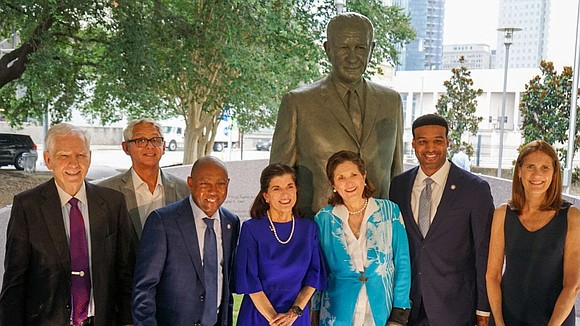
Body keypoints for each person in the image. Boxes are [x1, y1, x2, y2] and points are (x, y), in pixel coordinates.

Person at [270, 12, 404, 218]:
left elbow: (397, 174)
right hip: (317, 233)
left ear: (372, 50)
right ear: (328, 49)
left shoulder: (391, 102)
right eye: (343, 47)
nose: (352, 57)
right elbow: (278, 181)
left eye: (361, 48)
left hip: (379, 234)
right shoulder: (298, 103)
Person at [0, 123, 135, 325]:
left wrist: (128, 321)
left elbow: (126, 272)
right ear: (48, 160)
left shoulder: (113, 203)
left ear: (89, 157)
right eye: (63, 156)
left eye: (81, 155)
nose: (74, 164)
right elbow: (15, 280)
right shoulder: (28, 207)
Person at [389, 114, 494, 326]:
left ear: (447, 142)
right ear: (414, 144)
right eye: (422, 141)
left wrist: (483, 307)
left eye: (438, 141)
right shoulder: (398, 186)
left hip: (455, 308)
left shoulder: (474, 189)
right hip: (408, 307)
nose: (430, 148)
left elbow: (485, 252)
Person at [132, 156, 240, 325]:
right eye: (205, 184)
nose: (213, 191)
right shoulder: (162, 221)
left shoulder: (231, 222)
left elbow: (225, 283)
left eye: (221, 184)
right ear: (190, 183)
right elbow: (144, 288)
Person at [486, 140, 580, 325]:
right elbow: (492, 275)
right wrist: (498, 321)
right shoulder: (502, 214)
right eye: (530, 166)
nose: (537, 174)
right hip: (507, 317)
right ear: (519, 171)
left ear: (554, 174)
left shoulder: (572, 217)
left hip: (555, 320)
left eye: (545, 168)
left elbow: (573, 284)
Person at [314, 150, 411, 325]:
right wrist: (313, 313)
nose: (349, 182)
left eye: (354, 175)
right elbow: (318, 271)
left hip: (382, 312)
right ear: (333, 184)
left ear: (364, 176)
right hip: (336, 313)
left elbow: (402, 263)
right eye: (341, 177)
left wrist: (400, 314)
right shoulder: (324, 219)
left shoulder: (390, 211)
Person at [234, 163, 327, 325]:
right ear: (266, 196)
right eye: (276, 188)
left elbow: (315, 275)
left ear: (296, 190)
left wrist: (293, 313)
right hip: (259, 315)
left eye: (289, 186)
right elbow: (250, 280)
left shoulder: (309, 229)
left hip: (296, 316)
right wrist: (274, 319)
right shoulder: (251, 229)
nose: (285, 194)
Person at [99, 118, 189, 240]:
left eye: (155, 140)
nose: (150, 146)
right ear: (126, 148)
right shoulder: (106, 191)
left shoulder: (184, 190)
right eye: (141, 140)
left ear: (164, 146)